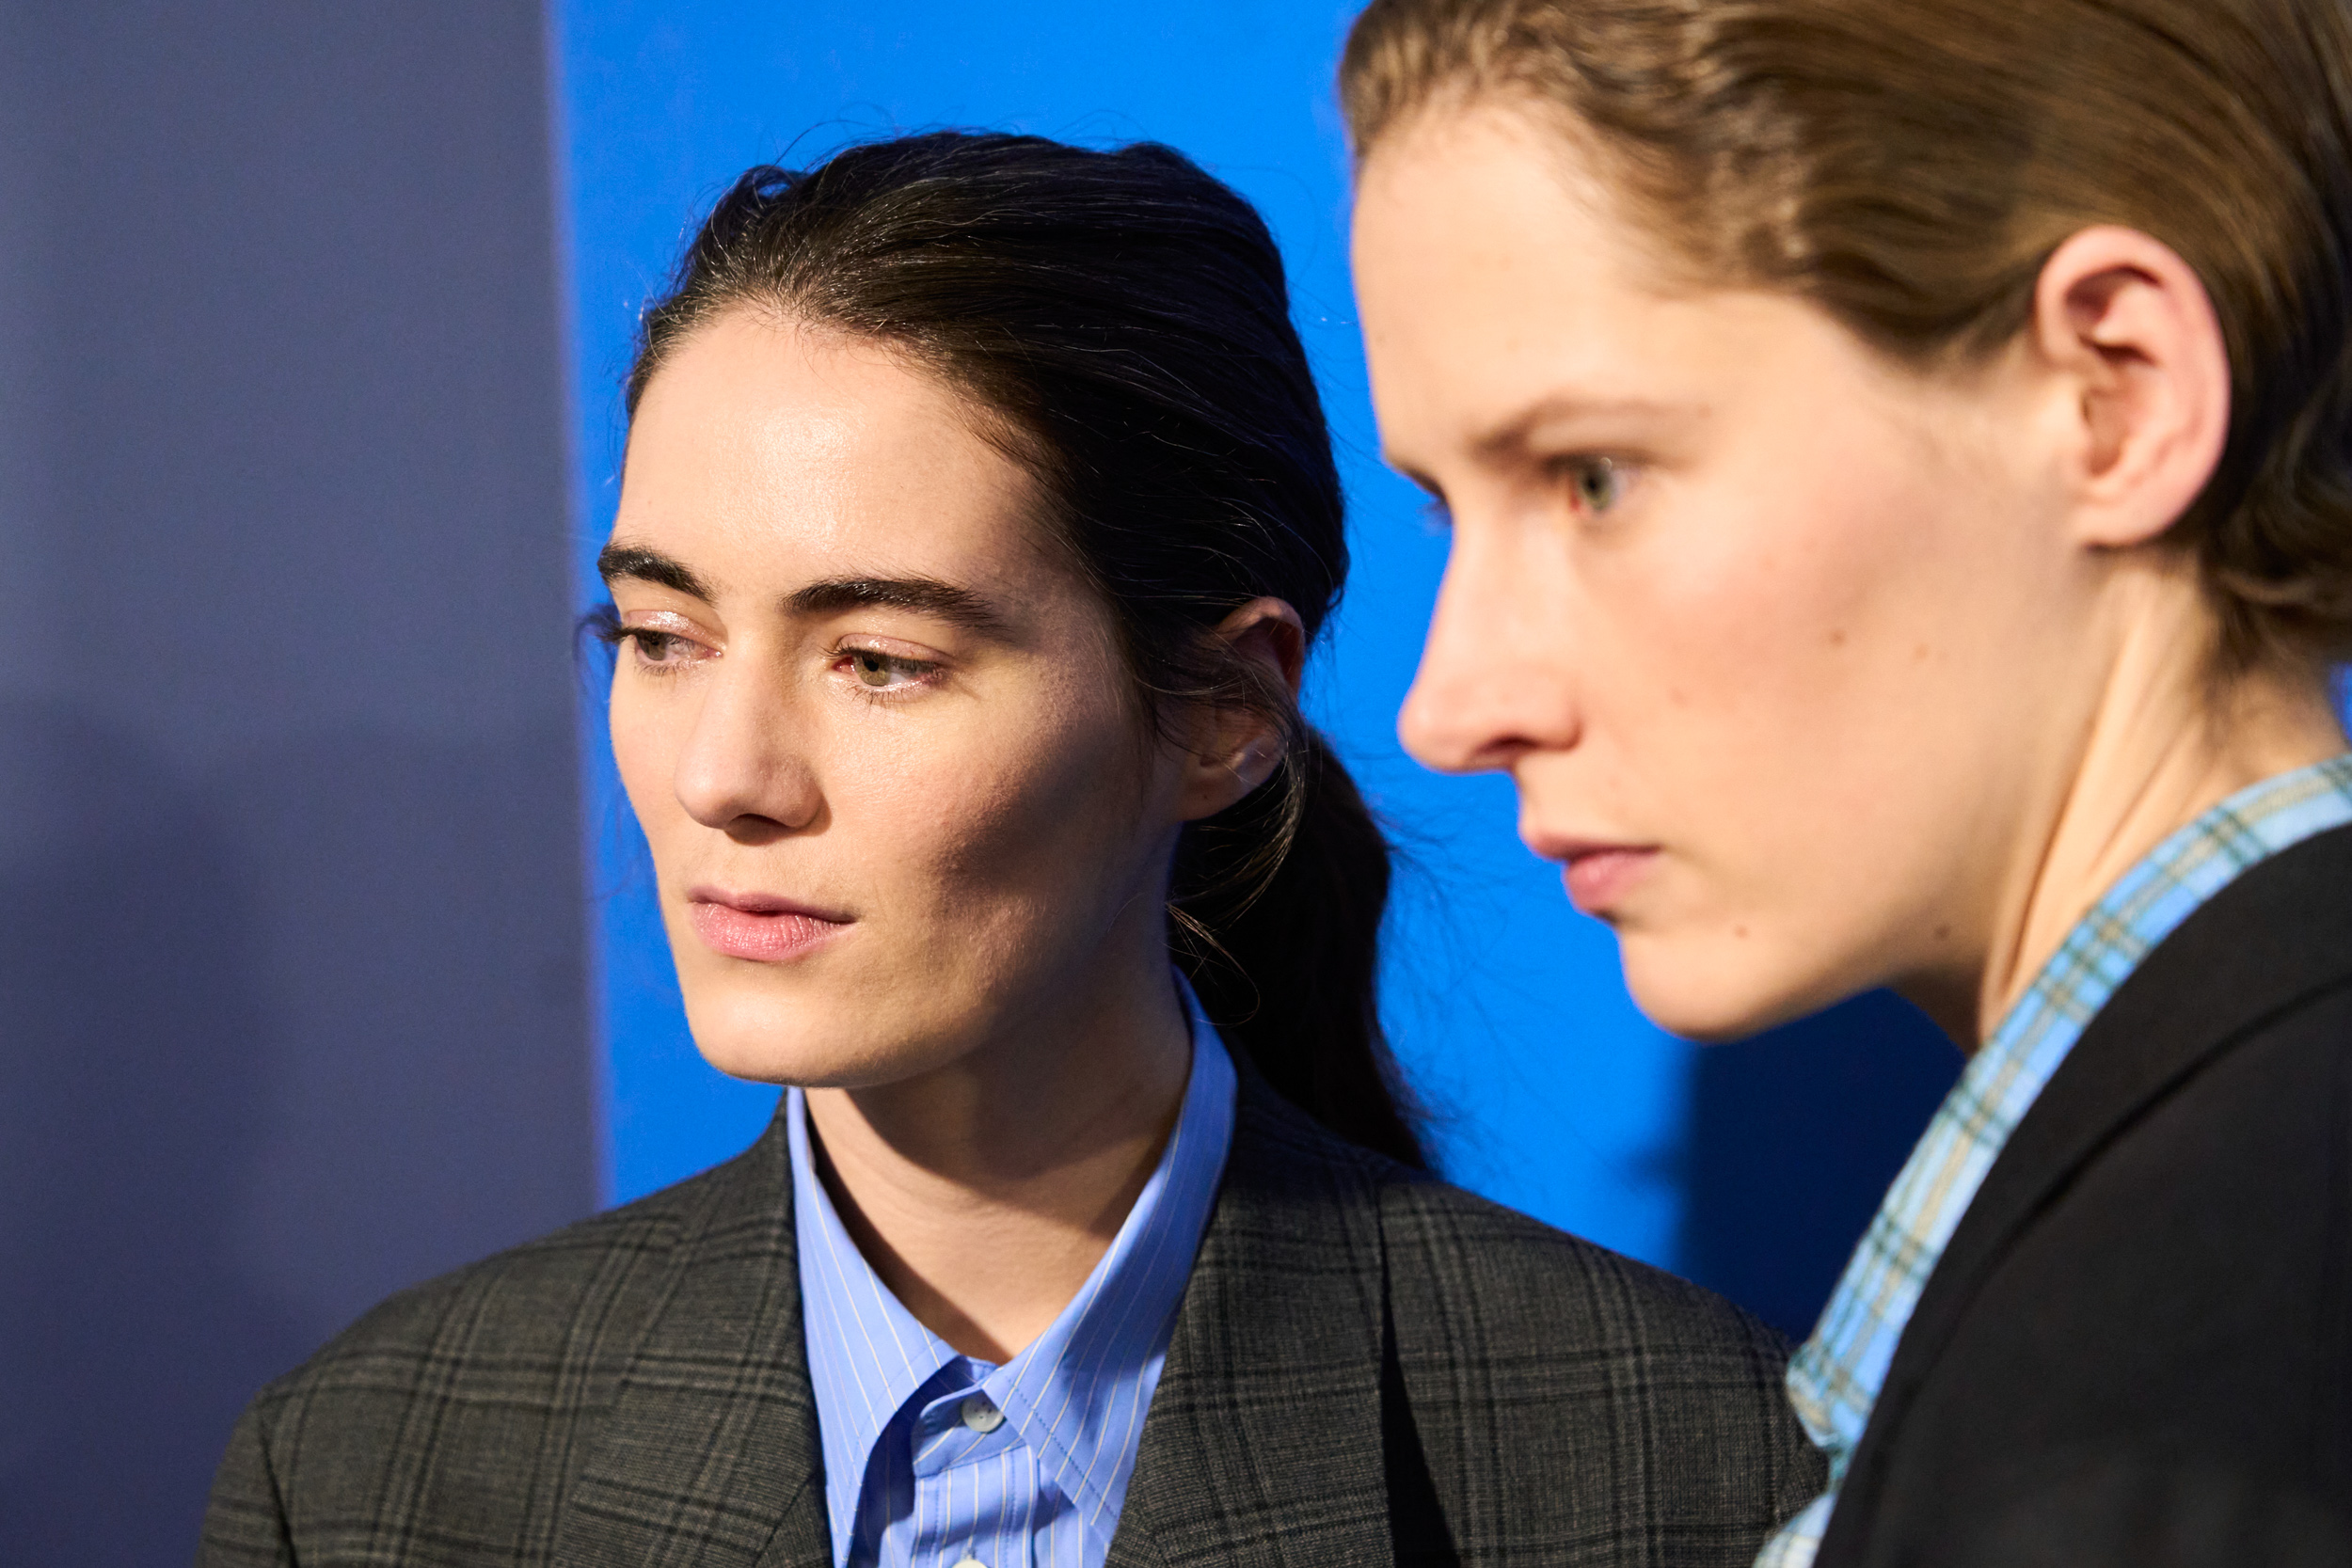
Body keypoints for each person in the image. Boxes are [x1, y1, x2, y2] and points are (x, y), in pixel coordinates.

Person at [199, 132, 1818, 1567]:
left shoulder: (1701, 1471)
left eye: (881, 660)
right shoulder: (370, 1476)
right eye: (661, 633)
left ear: (1217, 715)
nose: (724, 776)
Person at [1339, 0, 2352, 1562]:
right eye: (1442, 511)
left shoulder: (2192, 1387)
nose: (1449, 706)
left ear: (2115, 391)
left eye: (1593, 478)